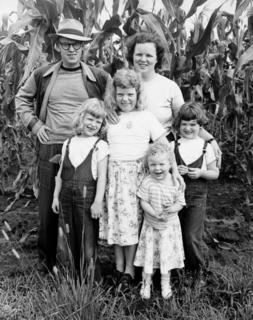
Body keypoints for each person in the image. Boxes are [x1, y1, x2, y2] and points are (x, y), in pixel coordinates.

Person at [15, 18, 111, 271]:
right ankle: (47, 264)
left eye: (76, 45)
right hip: (53, 145)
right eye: (66, 44)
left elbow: (112, 110)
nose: (71, 49)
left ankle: (84, 264)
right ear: (57, 45)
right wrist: (35, 125)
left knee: (83, 207)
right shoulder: (42, 74)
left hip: (87, 150)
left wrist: (103, 133)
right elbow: (21, 99)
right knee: (49, 207)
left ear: (83, 48)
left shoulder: (99, 77)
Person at [103, 68, 175, 292]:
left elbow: (164, 142)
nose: (125, 99)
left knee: (131, 223)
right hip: (113, 176)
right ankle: (118, 265)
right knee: (115, 222)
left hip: (135, 177)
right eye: (121, 94)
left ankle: (130, 271)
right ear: (114, 94)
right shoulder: (110, 117)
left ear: (137, 94)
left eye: (130, 94)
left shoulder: (146, 117)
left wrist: (175, 172)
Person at [108, 31, 222, 167]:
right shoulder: (119, 84)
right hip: (127, 156)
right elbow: (103, 110)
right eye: (139, 54)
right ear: (131, 56)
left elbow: (187, 119)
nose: (143, 59)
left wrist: (210, 140)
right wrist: (106, 110)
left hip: (161, 158)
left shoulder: (169, 87)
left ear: (157, 58)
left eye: (149, 55)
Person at [52, 99, 108, 278]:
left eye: (98, 121)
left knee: (87, 241)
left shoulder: (100, 145)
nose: (93, 124)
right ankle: (67, 279)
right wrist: (55, 197)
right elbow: (60, 174)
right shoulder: (68, 143)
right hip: (65, 197)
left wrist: (98, 201)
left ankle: (90, 282)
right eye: (90, 119)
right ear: (80, 117)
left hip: (88, 198)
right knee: (65, 240)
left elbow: (102, 178)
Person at [172, 102, 219, 277]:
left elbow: (215, 174)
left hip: (197, 197)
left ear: (200, 126)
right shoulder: (174, 145)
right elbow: (166, 170)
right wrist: (176, 170)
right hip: (176, 197)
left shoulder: (205, 147)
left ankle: (197, 271)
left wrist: (200, 172)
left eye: (193, 125)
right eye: (184, 124)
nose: (188, 128)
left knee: (191, 235)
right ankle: (177, 271)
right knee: (175, 234)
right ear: (179, 125)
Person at [134, 142, 185, 300]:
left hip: (169, 228)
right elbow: (143, 202)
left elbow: (181, 202)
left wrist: (173, 208)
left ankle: (165, 283)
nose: (157, 168)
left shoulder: (175, 182)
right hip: (151, 227)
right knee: (149, 257)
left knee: (166, 256)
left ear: (170, 164)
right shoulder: (148, 181)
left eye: (162, 164)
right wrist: (154, 213)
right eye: (153, 164)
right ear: (148, 165)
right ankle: (146, 283)